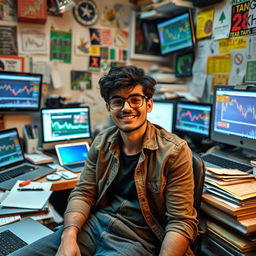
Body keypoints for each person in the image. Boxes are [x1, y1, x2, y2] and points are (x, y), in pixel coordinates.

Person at [11, 65, 198, 256]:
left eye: (135, 100)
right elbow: (84, 193)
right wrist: (68, 236)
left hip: (137, 240)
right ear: (109, 107)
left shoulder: (175, 151)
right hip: (93, 226)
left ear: (149, 104)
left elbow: (180, 221)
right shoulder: (101, 142)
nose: (126, 108)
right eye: (118, 101)